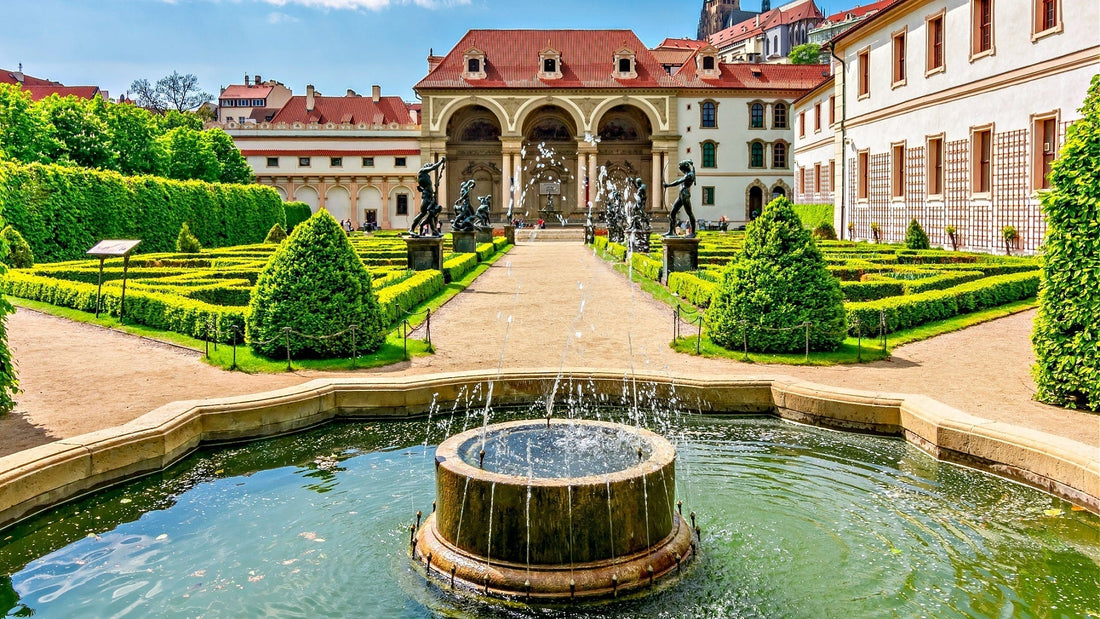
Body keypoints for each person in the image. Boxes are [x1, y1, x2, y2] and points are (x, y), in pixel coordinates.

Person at [408, 157, 446, 236]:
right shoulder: (422, 171)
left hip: (429, 196)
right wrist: (441, 162)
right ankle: (411, 229)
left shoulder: (426, 176)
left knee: (431, 214)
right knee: (422, 213)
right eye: (428, 165)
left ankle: (434, 232)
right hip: (426, 196)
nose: (429, 166)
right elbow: (433, 167)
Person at [663, 160, 697, 238]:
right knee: (672, 212)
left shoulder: (689, 175)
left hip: (685, 194)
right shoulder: (688, 174)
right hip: (681, 194)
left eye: (681, 169)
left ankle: (693, 232)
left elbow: (678, 181)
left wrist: (668, 185)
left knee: (689, 213)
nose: (681, 171)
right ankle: (671, 231)